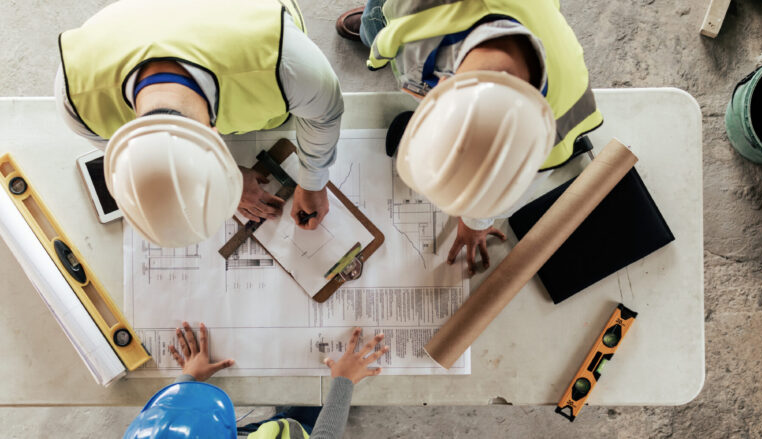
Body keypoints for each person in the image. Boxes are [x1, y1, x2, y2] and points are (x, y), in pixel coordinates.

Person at [336, 0, 604, 274]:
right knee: (377, 19)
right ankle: (374, 25)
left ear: (438, 85)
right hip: (400, 14)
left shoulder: (554, 122)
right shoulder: (418, 12)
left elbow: (503, 181)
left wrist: (476, 222)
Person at [55, 0, 343, 248]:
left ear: (217, 137)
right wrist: (233, 181)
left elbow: (323, 116)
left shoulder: (290, 65)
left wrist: (314, 181)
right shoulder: (77, 104)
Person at [123, 322, 388, 438]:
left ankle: (287, 419)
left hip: (264, 434)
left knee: (289, 416)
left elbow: (170, 424)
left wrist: (189, 379)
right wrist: (343, 381)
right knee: (310, 414)